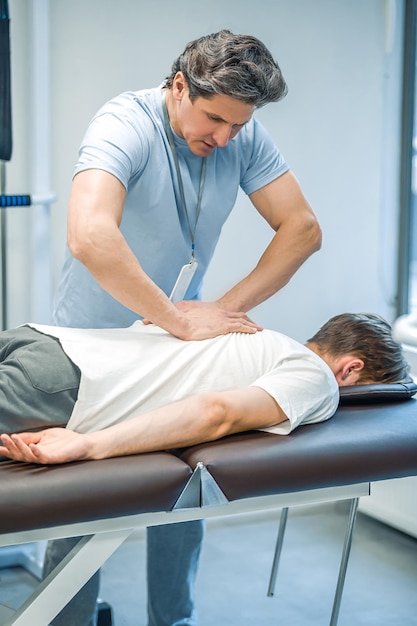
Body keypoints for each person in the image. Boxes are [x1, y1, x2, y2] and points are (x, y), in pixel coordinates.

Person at [48, 29, 323, 626]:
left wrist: (218, 310)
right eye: (214, 119)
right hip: (95, 351)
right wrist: (175, 317)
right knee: (78, 505)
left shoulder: (241, 136)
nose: (224, 138)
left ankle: (172, 620)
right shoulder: (125, 122)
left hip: (178, 348)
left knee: (185, 493)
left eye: (238, 126)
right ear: (179, 86)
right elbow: (90, 234)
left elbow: (302, 229)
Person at [0, 313, 409, 465]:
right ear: (350, 369)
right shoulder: (319, 379)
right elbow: (218, 413)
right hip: (65, 385)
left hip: (43, 339)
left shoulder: (256, 335)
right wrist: (91, 446)